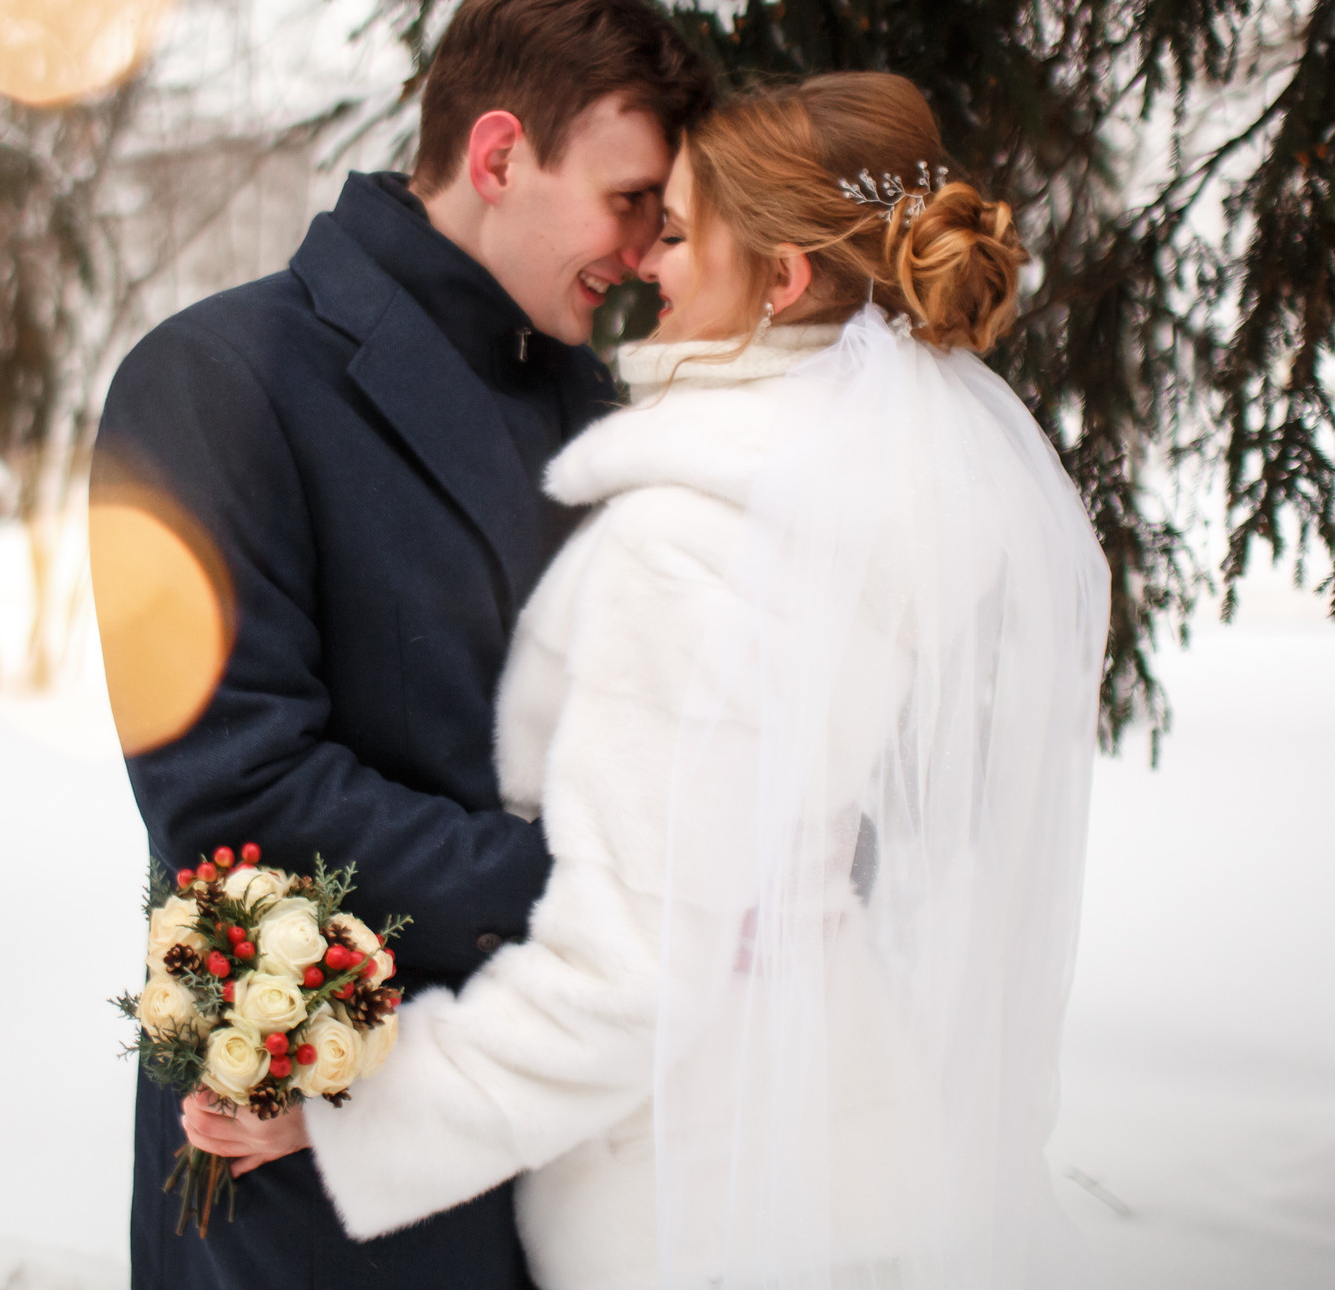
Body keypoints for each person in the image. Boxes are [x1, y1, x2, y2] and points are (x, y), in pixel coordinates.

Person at [185, 73, 1113, 1289]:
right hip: (843, 1145)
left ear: (778, 280)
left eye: (675, 233)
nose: (644, 264)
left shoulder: (696, 542)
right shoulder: (889, 502)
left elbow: (629, 977)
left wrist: (357, 1112)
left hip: (697, 1202)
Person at [92, 0, 716, 1290]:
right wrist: (595, 893)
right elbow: (231, 784)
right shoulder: (214, 377)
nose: (644, 248)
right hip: (308, 1179)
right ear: (500, 152)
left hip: (554, 1154)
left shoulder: (607, 410)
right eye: (627, 200)